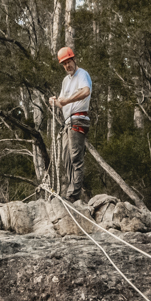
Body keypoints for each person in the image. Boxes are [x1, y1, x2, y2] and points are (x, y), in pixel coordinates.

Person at [50, 46, 92, 202]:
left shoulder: (82, 74)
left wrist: (67, 100)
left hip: (79, 119)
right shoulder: (65, 81)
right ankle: (70, 191)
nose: (67, 66)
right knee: (66, 158)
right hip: (68, 122)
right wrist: (56, 102)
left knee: (75, 157)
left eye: (69, 62)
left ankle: (73, 195)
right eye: (64, 64)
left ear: (74, 59)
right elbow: (63, 104)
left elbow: (86, 91)